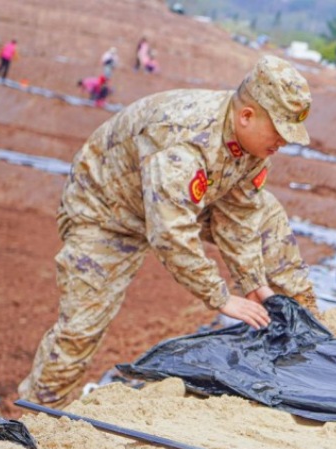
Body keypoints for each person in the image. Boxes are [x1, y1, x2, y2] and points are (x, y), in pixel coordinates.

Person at [18, 55, 318, 408]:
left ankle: (307, 328)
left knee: (267, 214)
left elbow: (238, 215)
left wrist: (254, 284)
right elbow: (170, 234)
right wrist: (221, 298)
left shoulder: (252, 143)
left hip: (173, 200)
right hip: (107, 213)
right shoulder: (184, 141)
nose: (284, 143)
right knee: (82, 327)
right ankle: (38, 413)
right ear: (247, 116)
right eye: (279, 132)